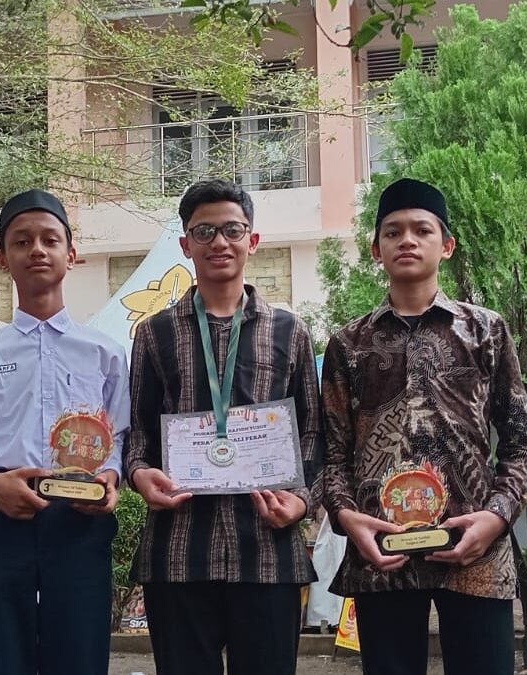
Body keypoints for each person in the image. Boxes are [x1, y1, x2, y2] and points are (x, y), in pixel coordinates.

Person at [321, 177, 527, 675]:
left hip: (475, 554)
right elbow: (332, 454)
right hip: (381, 554)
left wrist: (496, 517)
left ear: (446, 245)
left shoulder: (485, 330)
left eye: (422, 230)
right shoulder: (349, 345)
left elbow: (526, 445)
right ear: (375, 250)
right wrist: (346, 518)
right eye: (393, 231)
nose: (407, 240)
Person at [123, 178, 324, 675]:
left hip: (268, 551)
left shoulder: (289, 331)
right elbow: (139, 432)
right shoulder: (153, 333)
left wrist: (301, 501)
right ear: (185, 244)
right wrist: (140, 474)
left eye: (232, 230)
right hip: (178, 553)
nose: (219, 242)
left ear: (251, 240)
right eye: (204, 231)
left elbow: (314, 433)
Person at [0, 189, 130, 675]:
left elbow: (119, 439)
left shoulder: (105, 353)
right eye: (22, 241)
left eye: (50, 240)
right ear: (2, 258)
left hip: (80, 524)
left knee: (79, 658)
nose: (37, 250)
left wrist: (110, 480)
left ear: (71, 254)